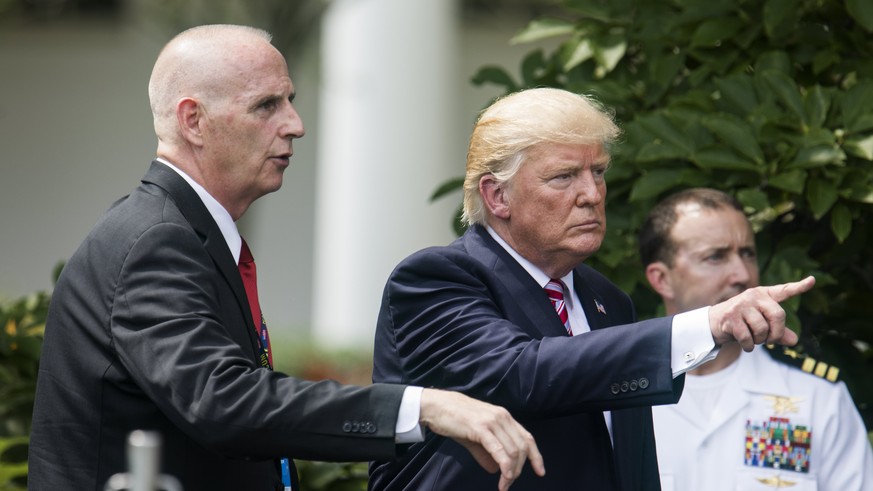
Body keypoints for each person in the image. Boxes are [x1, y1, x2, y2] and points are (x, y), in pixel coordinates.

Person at [27, 24, 545, 491]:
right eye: (266, 105)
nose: (295, 124)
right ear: (193, 120)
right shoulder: (155, 240)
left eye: (290, 101)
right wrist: (424, 405)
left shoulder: (180, 231)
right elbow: (223, 402)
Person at [369, 87, 816, 490]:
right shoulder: (436, 279)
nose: (592, 194)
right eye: (564, 177)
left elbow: (631, 463)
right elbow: (521, 374)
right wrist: (706, 324)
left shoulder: (608, 301)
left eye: (598, 171)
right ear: (497, 196)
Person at [639, 187, 873, 490]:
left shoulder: (816, 396)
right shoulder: (623, 396)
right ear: (662, 279)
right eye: (715, 257)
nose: (742, 273)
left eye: (747, 253)